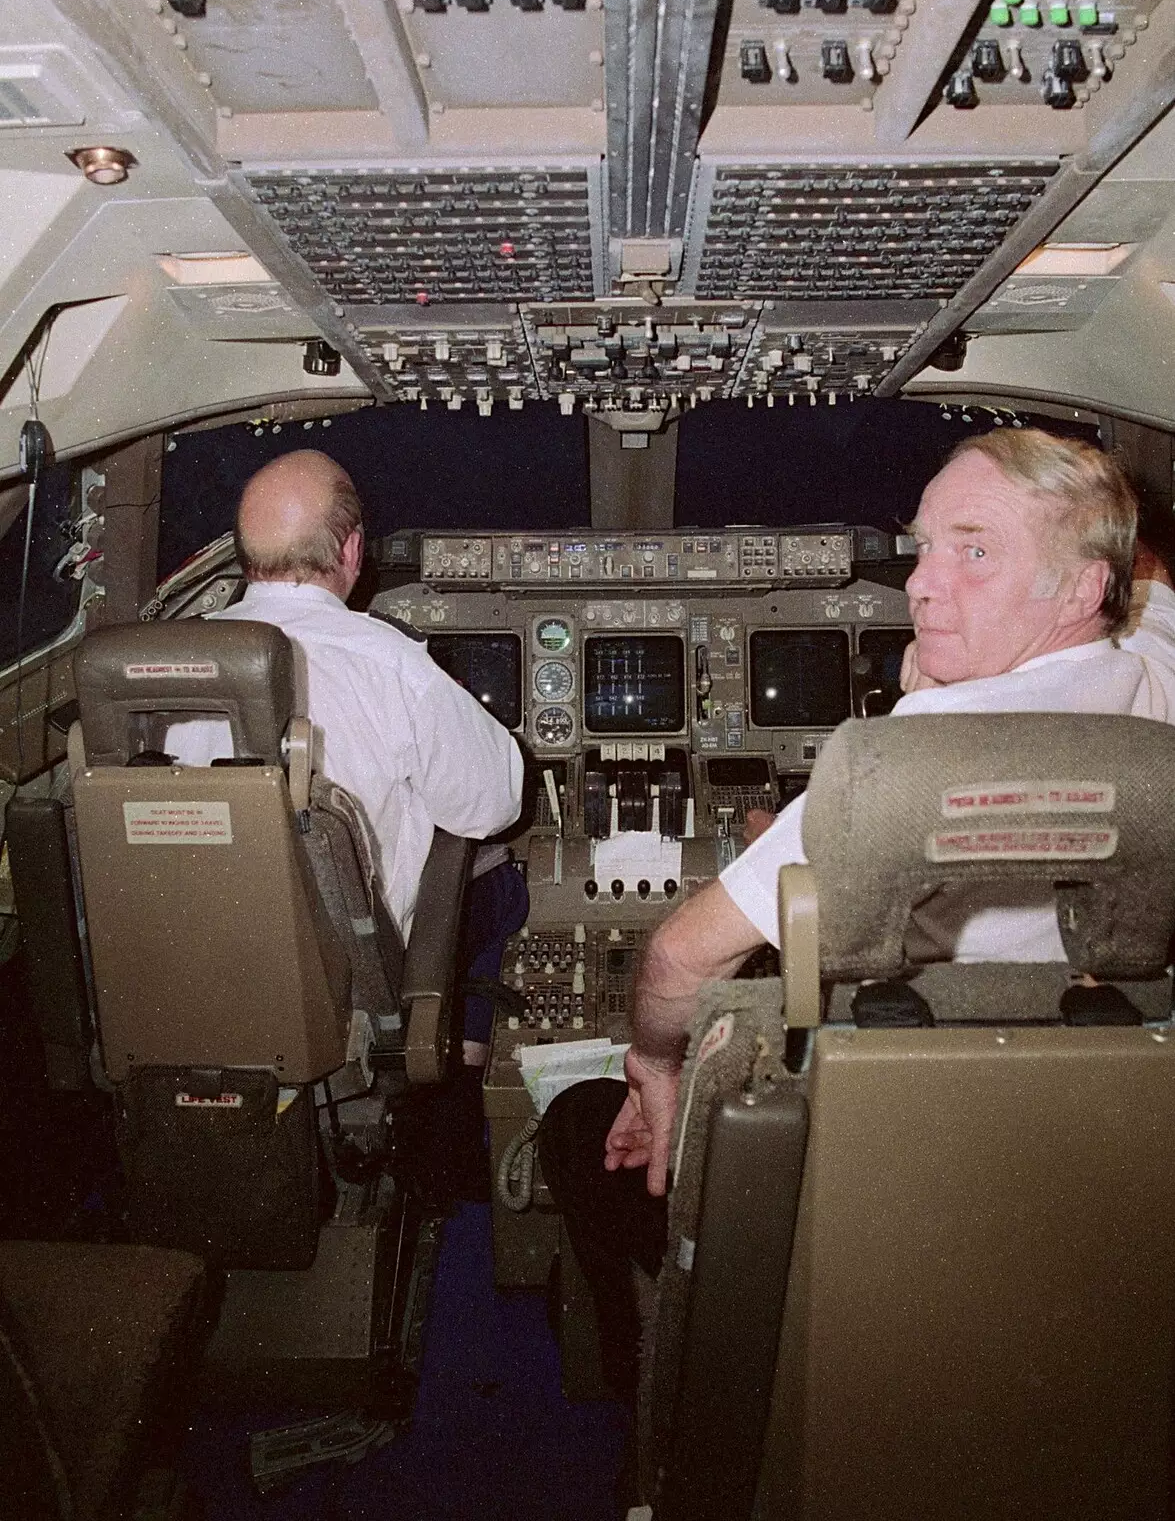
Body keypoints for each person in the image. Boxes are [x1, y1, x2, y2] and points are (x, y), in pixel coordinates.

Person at [539, 426, 1175, 1398]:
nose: (919, 585)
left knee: (584, 1122)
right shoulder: (1158, 687)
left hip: (880, 1133)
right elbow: (1152, 589)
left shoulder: (897, 763)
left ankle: (643, 1351)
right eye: (921, 546)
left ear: (1084, 586)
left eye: (973, 550)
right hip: (1084, 1127)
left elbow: (674, 962)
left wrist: (654, 1065)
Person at [165, 449, 525, 956]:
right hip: (354, 987)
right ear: (353, 549)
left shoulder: (160, 666)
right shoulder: (390, 662)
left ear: (245, 556)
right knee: (503, 887)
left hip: (202, 963)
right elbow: (495, 805)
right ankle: (456, 1037)